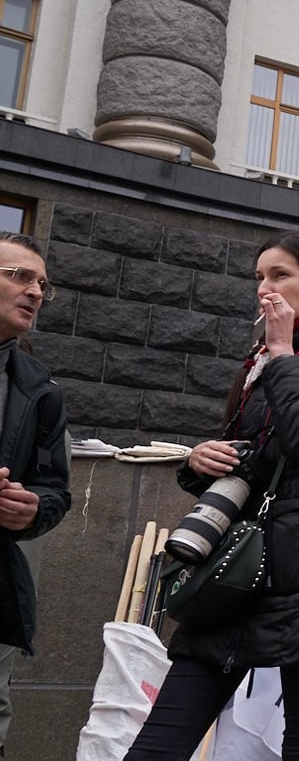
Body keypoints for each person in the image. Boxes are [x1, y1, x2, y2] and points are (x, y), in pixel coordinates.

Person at [127, 230, 299, 761]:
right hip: (234, 567)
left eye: (280, 275)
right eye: (259, 277)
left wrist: (280, 353)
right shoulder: (260, 363)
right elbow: (255, 457)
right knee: (159, 744)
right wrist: (199, 460)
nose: (264, 288)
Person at [0, 232, 71, 758]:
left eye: (42, 283)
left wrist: (31, 510)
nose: (35, 292)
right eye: (19, 276)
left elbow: (54, 490)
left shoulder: (39, 389)